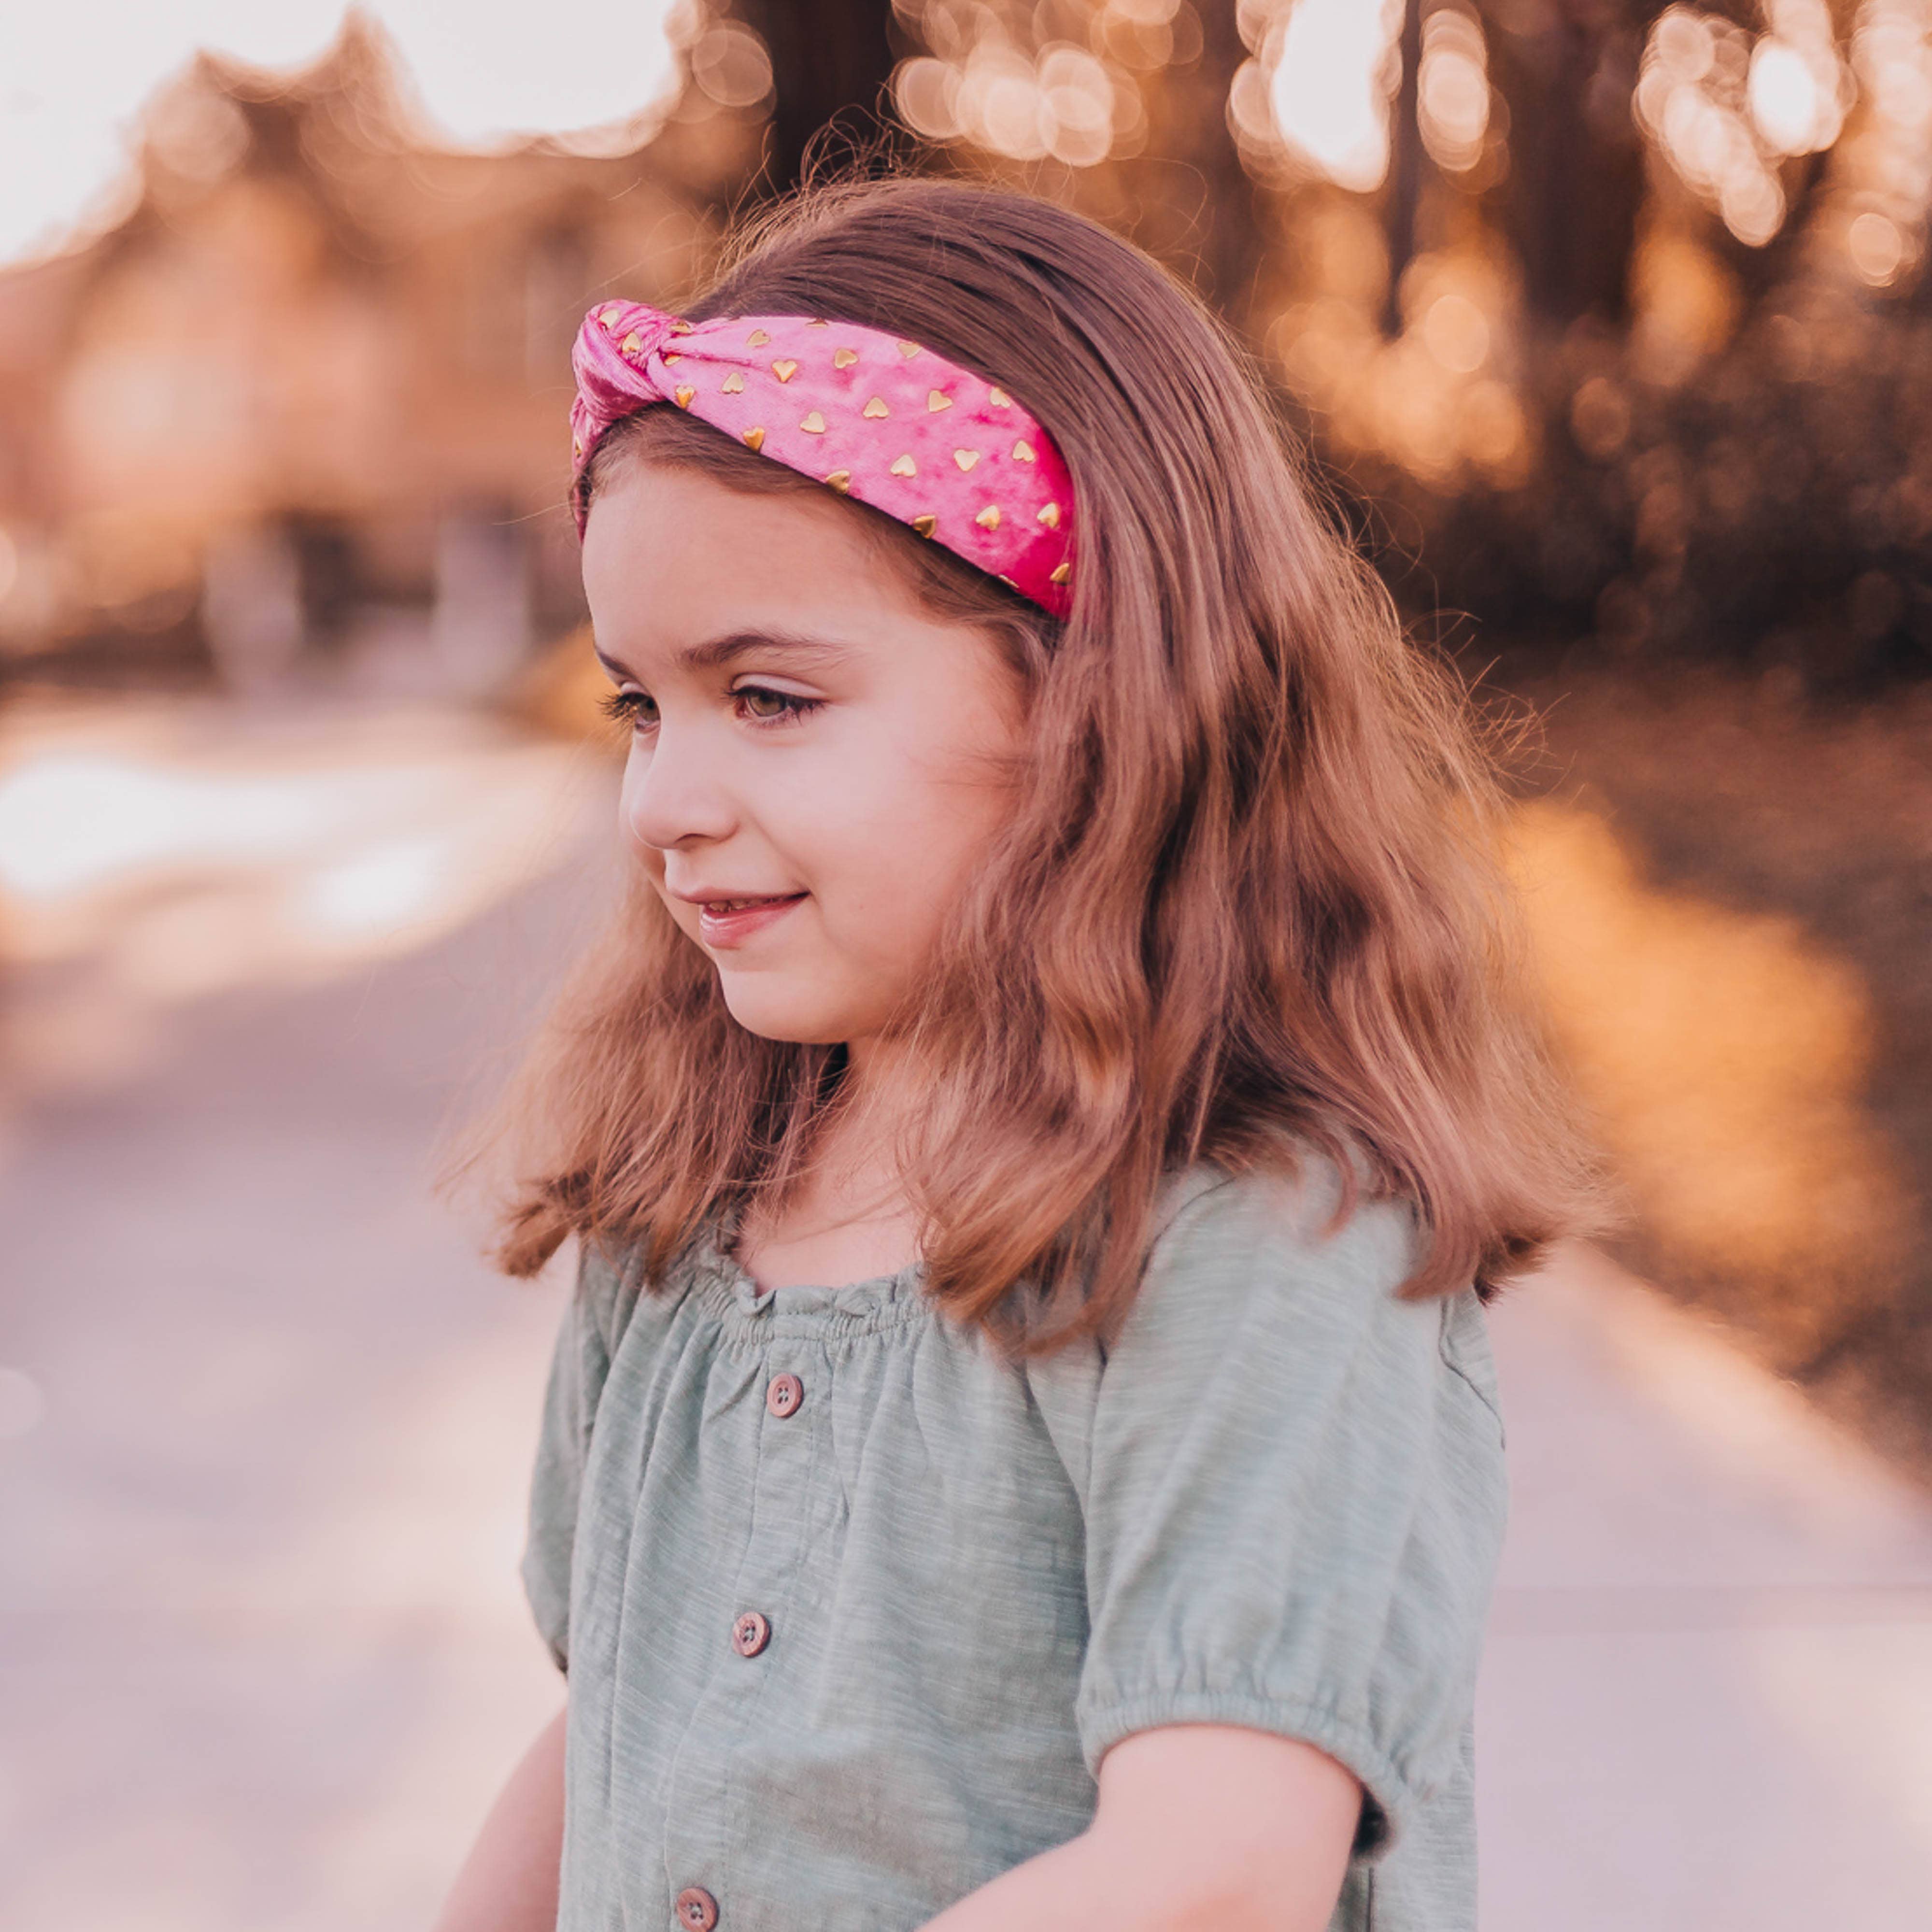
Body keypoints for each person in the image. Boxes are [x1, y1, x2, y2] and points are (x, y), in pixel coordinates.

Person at [435, 175, 1599, 1932]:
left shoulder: (1255, 1240)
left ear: (1090, 701)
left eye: (770, 698)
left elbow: (1214, 1870)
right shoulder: (680, 1211)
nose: (666, 800)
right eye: (639, 705)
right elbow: (615, 1716)